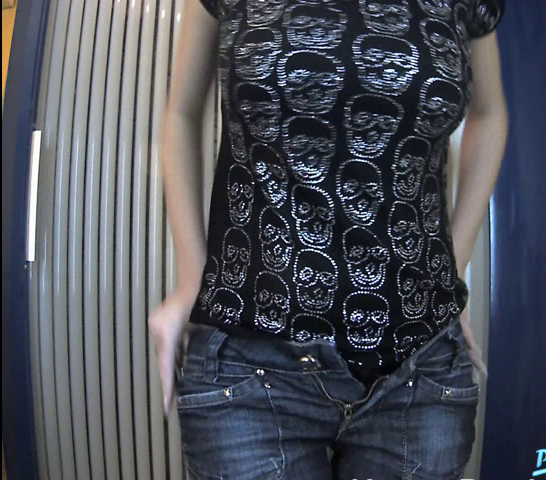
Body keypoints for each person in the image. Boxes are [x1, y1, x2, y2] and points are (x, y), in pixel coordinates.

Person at [149, 0, 508, 478]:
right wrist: (189, 280)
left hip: (420, 367)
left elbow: (490, 113)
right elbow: (181, 111)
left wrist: (452, 269)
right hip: (249, 358)